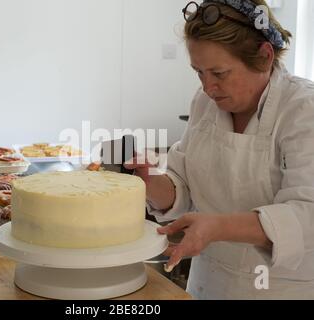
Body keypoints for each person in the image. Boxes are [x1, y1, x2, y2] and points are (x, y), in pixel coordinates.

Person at [125, 0, 314, 299]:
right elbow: (183, 184)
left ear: (264, 57)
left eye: (219, 73)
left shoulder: (303, 110)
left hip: (280, 288)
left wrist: (217, 227)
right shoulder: (205, 103)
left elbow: (307, 216)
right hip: (210, 284)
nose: (208, 87)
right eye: (199, 72)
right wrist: (148, 183)